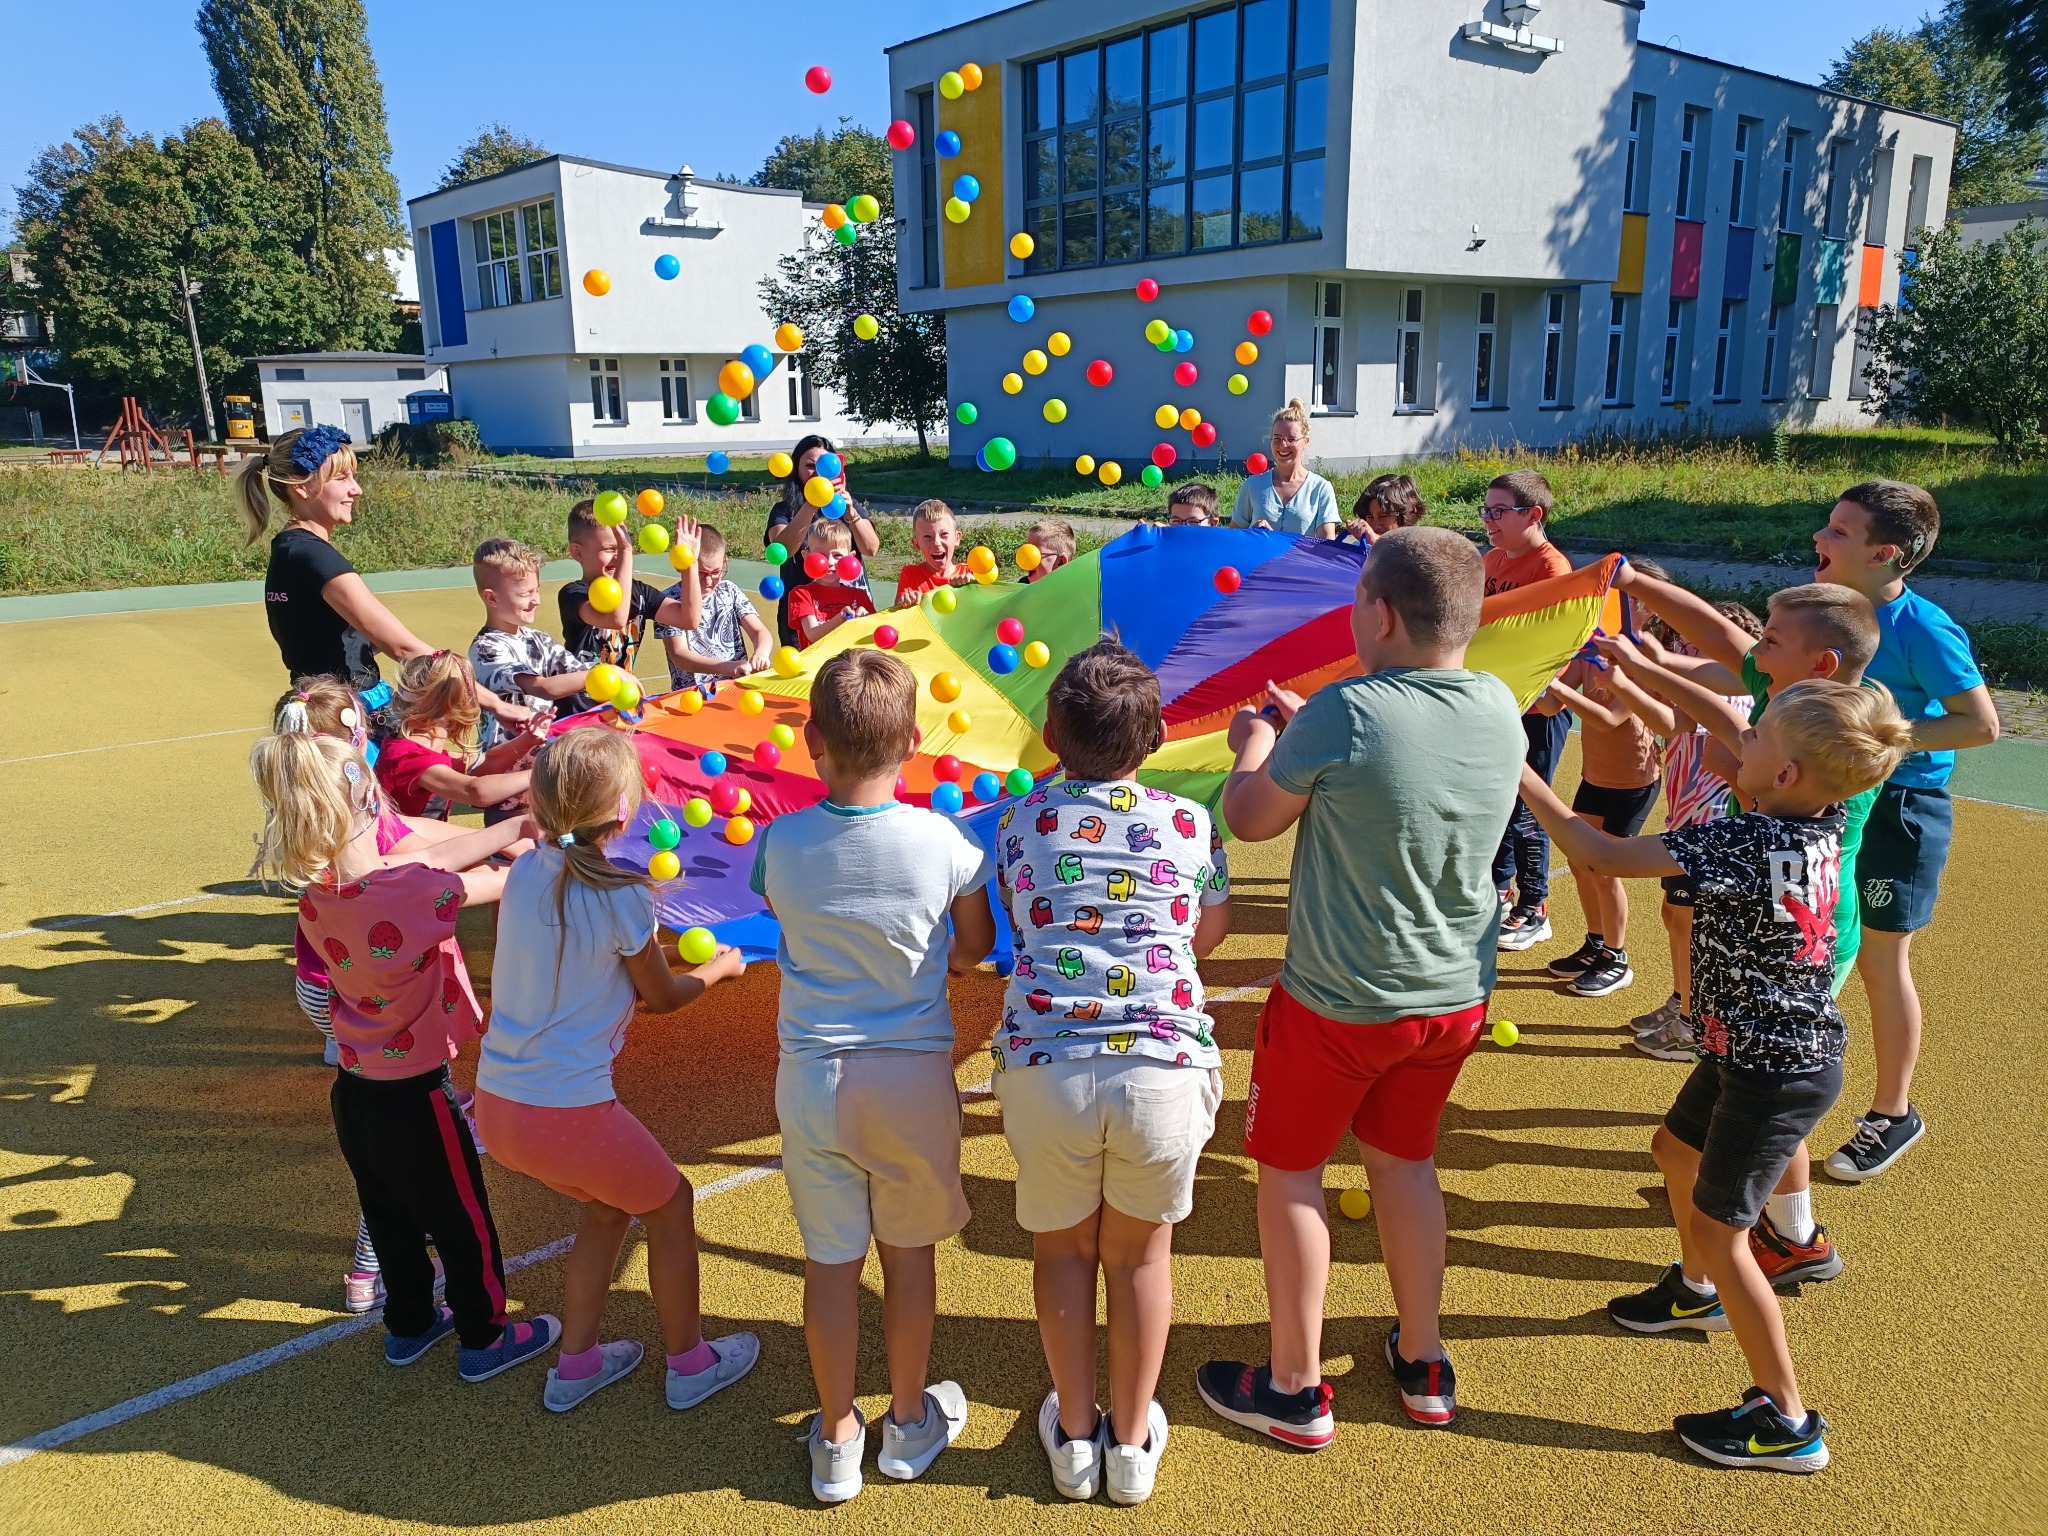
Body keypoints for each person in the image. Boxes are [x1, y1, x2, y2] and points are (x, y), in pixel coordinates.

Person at [1515, 679, 1911, 1474]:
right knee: (1672, 1150)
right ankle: (1692, 1291)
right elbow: (1743, 741)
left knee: (1729, 1237)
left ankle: (1787, 1420)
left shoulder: (1743, 842)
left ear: (1789, 775)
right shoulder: (1820, 822)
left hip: (1772, 1069)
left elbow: (1598, 853)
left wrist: (1515, 765)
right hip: (1754, 1050)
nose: (1741, 740)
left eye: (1756, 738)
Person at [1195, 527, 1523, 1443]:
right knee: (1405, 1164)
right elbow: (1395, 767)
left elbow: (1252, 818)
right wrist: (1314, 732)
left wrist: (1255, 744)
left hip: (1339, 1003)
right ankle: (1424, 1358)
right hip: (1452, 998)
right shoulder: (1499, 702)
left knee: (1291, 1174)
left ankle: (1295, 1387)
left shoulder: (1348, 711)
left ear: (1378, 613)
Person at [749, 649, 996, 1504]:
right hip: (912, 1080)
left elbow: (786, 906)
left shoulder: (780, 840)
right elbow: (972, 948)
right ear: (917, 742)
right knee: (910, 1256)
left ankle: (837, 1432)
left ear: (811, 738)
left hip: (812, 1079)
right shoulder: (947, 842)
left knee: (829, 1263)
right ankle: (906, 1419)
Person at [993, 641, 1232, 1506]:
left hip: (1047, 1063)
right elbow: (1209, 925)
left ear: (1052, 732)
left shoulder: (1017, 822)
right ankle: (1131, 1445)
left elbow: (1023, 927)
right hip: (1164, 1066)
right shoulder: (1190, 821)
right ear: (1158, 738)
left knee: (1062, 1251)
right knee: (1139, 1257)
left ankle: (1077, 1435)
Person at [248, 725, 559, 1383]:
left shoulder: (319, 894)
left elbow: (415, 868)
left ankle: (410, 1325)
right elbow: (488, 884)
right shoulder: (412, 891)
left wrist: (510, 828)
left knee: (390, 1214)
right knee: (462, 1217)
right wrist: (536, 846)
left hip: (356, 1091)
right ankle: (485, 1336)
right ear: (367, 803)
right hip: (417, 1093)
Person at [1608, 576, 1889, 1286]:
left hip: (1805, 937)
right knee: (1756, 1079)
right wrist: (1639, 616)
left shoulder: (1817, 746)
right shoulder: (1800, 714)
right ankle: (1784, 1227)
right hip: (1784, 928)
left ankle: (1792, 1233)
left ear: (1816, 665)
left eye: (1768, 640)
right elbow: (1726, 708)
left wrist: (1731, 763)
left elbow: (1732, 736)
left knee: (1770, 1080)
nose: (1752, 649)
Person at [473, 728, 760, 1415]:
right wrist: (717, 970)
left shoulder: (527, 873)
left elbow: (577, 952)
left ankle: (576, 1366)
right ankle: (690, 1363)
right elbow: (660, 998)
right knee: (671, 1204)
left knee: (606, 1210)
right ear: (626, 814)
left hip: (498, 1105)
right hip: (564, 1112)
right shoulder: (624, 895)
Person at [269, 677, 490, 1313]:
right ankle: (458, 1315)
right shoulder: (386, 873)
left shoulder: (317, 842)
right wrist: (521, 847)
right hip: (394, 1033)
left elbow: (417, 845)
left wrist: (504, 835)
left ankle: (393, 1292)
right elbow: (427, 873)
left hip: (342, 1007)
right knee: (429, 1173)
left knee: (379, 1148)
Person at [1812, 481, 1999, 1180]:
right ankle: (1774, 1093)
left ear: (1885, 554)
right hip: (1838, 803)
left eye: (1838, 532)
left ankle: (1892, 1114)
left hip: (1900, 813)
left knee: (1880, 963)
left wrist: (1879, 741)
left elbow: (1981, 724)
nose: (1820, 541)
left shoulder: (1924, 628)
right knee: (1817, 945)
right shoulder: (1830, 610)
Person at [240, 425, 519, 728]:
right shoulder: (312, 556)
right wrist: (496, 704)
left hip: (329, 708)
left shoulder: (291, 549)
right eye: (341, 478)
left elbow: (326, 639)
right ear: (302, 488)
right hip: (342, 718)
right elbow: (405, 649)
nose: (356, 489)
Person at [1605, 601, 1763, 1061]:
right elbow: (1670, 723)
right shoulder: (1700, 687)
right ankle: (1683, 1001)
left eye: (1701, 646)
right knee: (1676, 919)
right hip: (1686, 818)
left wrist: (1626, 678)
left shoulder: (1732, 694)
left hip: (1712, 821)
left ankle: (1695, 1022)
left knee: (1693, 924)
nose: (1688, 649)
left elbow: (1672, 723)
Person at [1533, 646, 1664, 999]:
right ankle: (1596, 942)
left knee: (1604, 870)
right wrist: (1535, 675)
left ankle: (1616, 957)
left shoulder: (1641, 659)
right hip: (1595, 776)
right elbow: (1548, 707)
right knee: (1580, 861)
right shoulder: (1588, 655)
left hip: (1634, 780)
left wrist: (1557, 688)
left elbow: (1609, 718)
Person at [1482, 470, 1576, 950]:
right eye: (1486, 510)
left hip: (1538, 709)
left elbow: (1549, 646)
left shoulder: (1552, 569)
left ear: (1534, 515)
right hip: (1500, 701)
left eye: (1499, 512)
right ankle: (1497, 890)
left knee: (1527, 809)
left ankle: (1535, 905)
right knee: (1497, 800)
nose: (1488, 520)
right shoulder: (1493, 558)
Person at [558, 500, 703, 707]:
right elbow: (616, 618)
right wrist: (626, 550)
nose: (618, 556)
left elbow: (689, 619)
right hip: (579, 709)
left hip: (620, 705)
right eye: (609, 549)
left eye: (621, 548)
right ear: (577, 552)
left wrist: (689, 564)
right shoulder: (574, 594)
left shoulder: (639, 592)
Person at [373, 650, 545, 821]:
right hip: (405, 848)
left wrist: (528, 739)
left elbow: (486, 762)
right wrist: (541, 773)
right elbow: (476, 791)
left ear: (396, 702)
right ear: (463, 708)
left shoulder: (405, 748)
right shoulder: (411, 758)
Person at [468, 539, 588, 749]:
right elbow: (542, 688)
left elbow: (581, 671)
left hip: (543, 758)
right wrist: (608, 674)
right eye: (525, 594)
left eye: (537, 590)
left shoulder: (539, 640)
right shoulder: (486, 649)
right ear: (492, 598)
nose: (537, 600)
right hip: (504, 767)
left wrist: (611, 679)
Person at [765, 436, 881, 644]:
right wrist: (810, 504)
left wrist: (851, 513)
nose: (818, 473)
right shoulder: (784, 510)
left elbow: (871, 548)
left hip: (851, 609)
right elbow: (782, 549)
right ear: (796, 471)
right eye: (810, 466)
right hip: (807, 617)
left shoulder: (848, 505)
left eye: (824, 466)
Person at [656, 525, 772, 695]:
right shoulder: (667, 601)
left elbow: (759, 631)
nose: (709, 581)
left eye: (716, 572)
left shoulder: (729, 590)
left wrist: (761, 653)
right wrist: (727, 667)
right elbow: (679, 655)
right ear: (681, 565)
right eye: (701, 573)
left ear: (725, 561)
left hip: (735, 690)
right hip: (690, 696)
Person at [1230, 401, 1339, 539]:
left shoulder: (1320, 488)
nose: (1283, 445)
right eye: (1277, 438)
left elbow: (1327, 546)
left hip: (1301, 561)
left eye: (1291, 439)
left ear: (1305, 441)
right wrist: (1252, 533)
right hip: (1261, 561)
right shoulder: (1252, 486)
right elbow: (1233, 539)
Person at [787, 521, 876, 649]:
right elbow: (813, 634)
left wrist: (866, 619)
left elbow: (873, 634)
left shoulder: (859, 596)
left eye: (837, 555)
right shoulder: (802, 594)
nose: (829, 561)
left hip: (851, 665)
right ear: (807, 557)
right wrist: (840, 619)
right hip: (818, 666)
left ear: (850, 558)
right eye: (821, 556)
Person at [893, 501, 970, 607]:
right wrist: (905, 600)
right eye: (927, 537)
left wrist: (976, 586)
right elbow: (898, 611)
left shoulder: (971, 573)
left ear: (957, 538)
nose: (937, 543)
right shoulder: (910, 575)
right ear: (916, 544)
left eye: (944, 534)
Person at [1345, 473, 1426, 543]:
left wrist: (1376, 541)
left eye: (1383, 516)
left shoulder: (1420, 548)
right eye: (1370, 517)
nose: (1375, 525)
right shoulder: (1363, 548)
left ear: (1411, 512)